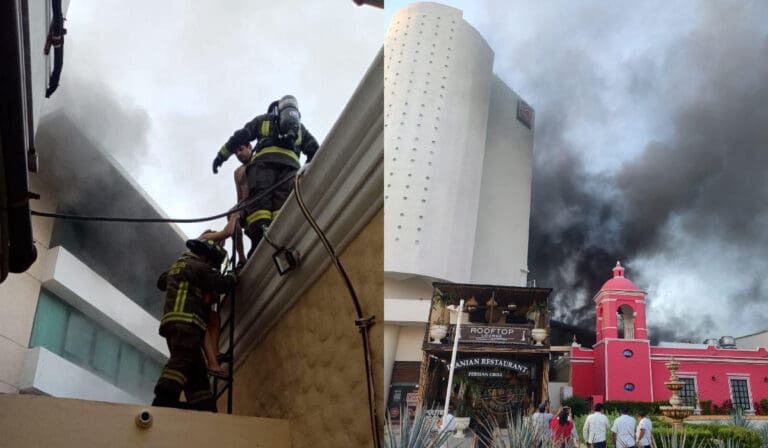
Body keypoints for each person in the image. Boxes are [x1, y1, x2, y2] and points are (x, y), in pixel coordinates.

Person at [212, 95, 319, 257]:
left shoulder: (263, 120)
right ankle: (283, 237)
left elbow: (241, 136)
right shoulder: (299, 129)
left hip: (263, 167)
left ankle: (258, 242)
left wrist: (221, 156)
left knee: (260, 204)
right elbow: (315, 151)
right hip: (290, 171)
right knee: (282, 205)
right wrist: (305, 171)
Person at [152, 236, 236, 412]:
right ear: (206, 257)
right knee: (181, 360)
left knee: (195, 369)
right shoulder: (198, 267)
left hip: (175, 324)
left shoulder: (180, 266)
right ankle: (164, 399)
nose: (212, 267)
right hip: (186, 322)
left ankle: (204, 407)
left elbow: (161, 282)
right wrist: (232, 276)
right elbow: (222, 283)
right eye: (212, 263)